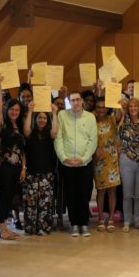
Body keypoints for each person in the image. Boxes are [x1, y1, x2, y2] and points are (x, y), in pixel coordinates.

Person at [55, 92, 98, 238]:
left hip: (85, 163)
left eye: (78, 99)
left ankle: (84, 224)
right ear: (69, 102)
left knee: (84, 194)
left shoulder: (90, 117)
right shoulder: (62, 115)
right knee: (71, 194)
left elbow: (93, 140)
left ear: (82, 102)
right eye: (72, 100)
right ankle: (74, 224)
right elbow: (58, 138)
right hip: (67, 163)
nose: (76, 102)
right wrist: (64, 157)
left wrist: (84, 158)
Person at [22, 101, 59, 235]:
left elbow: (55, 131)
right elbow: (25, 129)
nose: (42, 120)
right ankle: (31, 227)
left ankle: (44, 227)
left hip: (47, 173)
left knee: (45, 202)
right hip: (31, 172)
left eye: (44, 118)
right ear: (35, 119)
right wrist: (30, 110)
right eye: (39, 117)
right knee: (31, 202)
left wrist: (54, 113)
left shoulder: (50, 134)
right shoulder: (30, 133)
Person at [118, 98, 139, 232]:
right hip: (126, 160)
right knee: (127, 194)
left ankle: (138, 220)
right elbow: (120, 110)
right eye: (131, 106)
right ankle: (127, 221)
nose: (133, 108)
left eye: (136, 106)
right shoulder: (124, 120)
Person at [0, 98, 25, 240]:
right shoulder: (3, 124)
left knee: (10, 197)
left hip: (17, 167)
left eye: (17, 110)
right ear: (7, 110)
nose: (14, 112)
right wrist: (0, 86)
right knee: (3, 196)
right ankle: (1, 228)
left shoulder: (19, 126)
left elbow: (22, 150)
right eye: (12, 109)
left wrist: (24, 167)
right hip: (4, 166)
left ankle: (5, 227)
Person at [93, 98, 122, 232]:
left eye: (103, 107)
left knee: (112, 190)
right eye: (98, 107)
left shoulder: (112, 119)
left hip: (112, 158)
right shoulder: (92, 121)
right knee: (101, 190)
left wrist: (115, 96)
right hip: (99, 159)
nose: (101, 109)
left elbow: (120, 113)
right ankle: (100, 218)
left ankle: (110, 218)